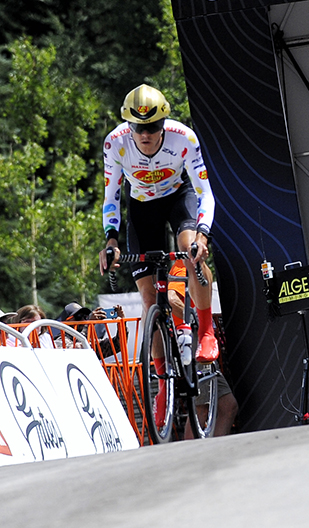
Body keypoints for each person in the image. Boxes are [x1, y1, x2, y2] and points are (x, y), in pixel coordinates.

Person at [98, 84, 217, 427]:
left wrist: (203, 236)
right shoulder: (115, 143)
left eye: (152, 128)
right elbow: (111, 197)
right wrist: (111, 240)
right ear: (128, 127)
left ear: (164, 124)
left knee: (189, 248)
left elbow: (204, 192)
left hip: (178, 198)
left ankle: (205, 329)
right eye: (138, 128)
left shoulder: (184, 139)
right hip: (141, 209)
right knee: (150, 299)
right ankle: (163, 382)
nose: (146, 134)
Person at [166, 258, 239, 437]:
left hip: (200, 342)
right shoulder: (182, 264)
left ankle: (217, 451)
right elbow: (171, 298)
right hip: (192, 343)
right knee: (200, 408)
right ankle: (191, 458)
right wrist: (193, 320)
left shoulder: (197, 265)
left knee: (228, 405)